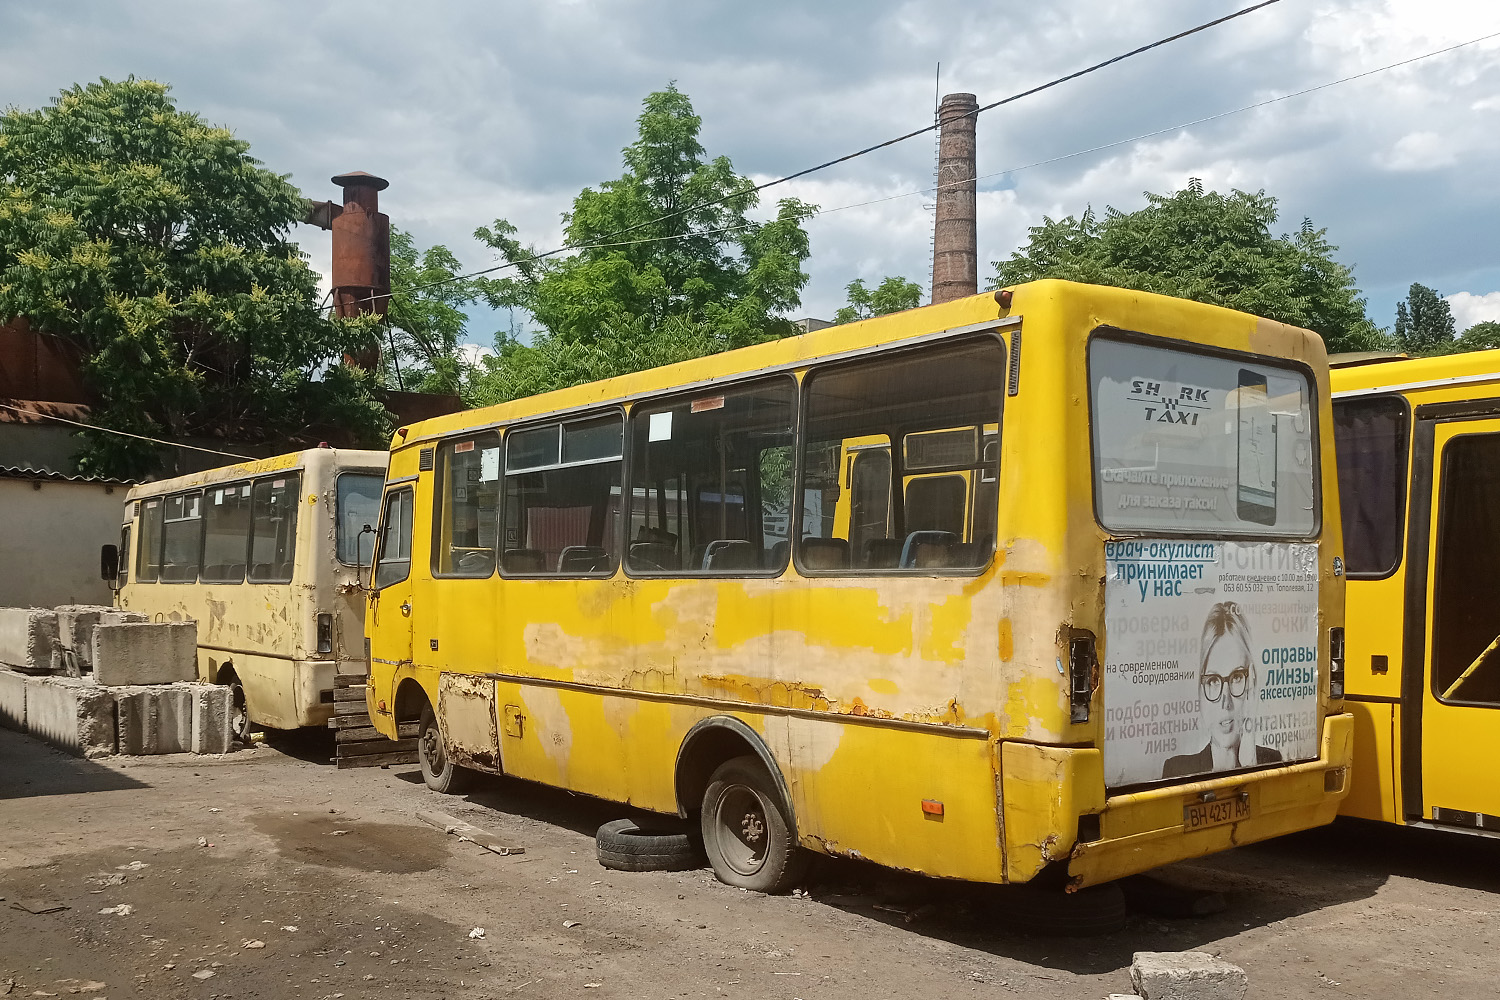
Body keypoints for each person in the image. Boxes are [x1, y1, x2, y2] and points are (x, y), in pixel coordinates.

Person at [1162, 601, 1282, 779]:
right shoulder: (1177, 769)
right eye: (1213, 681)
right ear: (1201, 688)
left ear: (1251, 683)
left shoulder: (1270, 760)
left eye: (1236, 677)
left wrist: (1249, 765)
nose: (1226, 702)